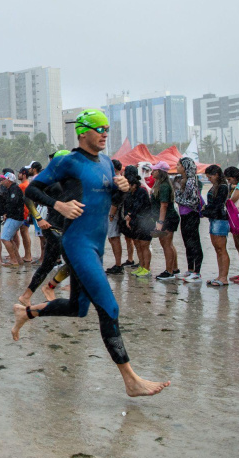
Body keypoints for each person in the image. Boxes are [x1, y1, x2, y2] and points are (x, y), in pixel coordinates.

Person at [13, 108, 169, 397]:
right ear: (83, 132)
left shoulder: (108, 163)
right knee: (109, 307)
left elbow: (110, 199)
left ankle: (28, 312)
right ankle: (131, 381)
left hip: (97, 245)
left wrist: (121, 189)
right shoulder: (67, 162)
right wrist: (58, 205)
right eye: (99, 128)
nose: (104, 133)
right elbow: (32, 189)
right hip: (77, 243)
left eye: (107, 128)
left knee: (78, 308)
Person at [18, 150, 71, 305]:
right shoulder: (49, 180)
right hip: (52, 227)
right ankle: (50, 288)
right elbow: (28, 197)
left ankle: (26, 296)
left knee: (47, 264)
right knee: (74, 261)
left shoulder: (74, 181)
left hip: (68, 228)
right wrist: (39, 218)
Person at [149, 162, 180, 281]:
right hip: (166, 218)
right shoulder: (160, 184)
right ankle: (174, 268)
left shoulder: (164, 186)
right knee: (169, 244)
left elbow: (164, 206)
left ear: (160, 172)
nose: (152, 172)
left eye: (154, 170)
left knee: (166, 244)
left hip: (167, 218)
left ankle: (169, 271)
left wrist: (160, 222)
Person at [174, 157, 203, 281]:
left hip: (191, 215)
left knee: (194, 243)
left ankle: (197, 272)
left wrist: (178, 199)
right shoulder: (182, 180)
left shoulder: (191, 181)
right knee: (187, 243)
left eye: (179, 165)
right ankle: (190, 269)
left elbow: (193, 201)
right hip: (184, 215)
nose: (176, 166)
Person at [122, 166, 153, 278]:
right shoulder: (131, 193)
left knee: (144, 245)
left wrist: (129, 216)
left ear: (134, 185)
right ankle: (141, 266)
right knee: (138, 245)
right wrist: (128, 217)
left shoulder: (141, 192)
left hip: (145, 223)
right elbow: (129, 206)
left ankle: (147, 268)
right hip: (136, 223)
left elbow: (138, 207)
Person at [203, 165, 230, 286]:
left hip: (220, 219)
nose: (209, 179)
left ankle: (224, 277)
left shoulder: (223, 187)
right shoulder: (216, 186)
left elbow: (218, 204)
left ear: (217, 175)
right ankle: (220, 275)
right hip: (214, 219)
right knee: (217, 249)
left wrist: (205, 210)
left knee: (221, 248)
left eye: (210, 177)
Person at [0, 172, 25, 266]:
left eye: (4, 179)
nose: (2, 181)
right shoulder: (11, 189)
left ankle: (13, 260)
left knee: (5, 238)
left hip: (14, 217)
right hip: (15, 217)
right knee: (9, 239)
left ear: (9, 180)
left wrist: (7, 213)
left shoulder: (14, 189)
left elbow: (13, 204)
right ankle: (18, 259)